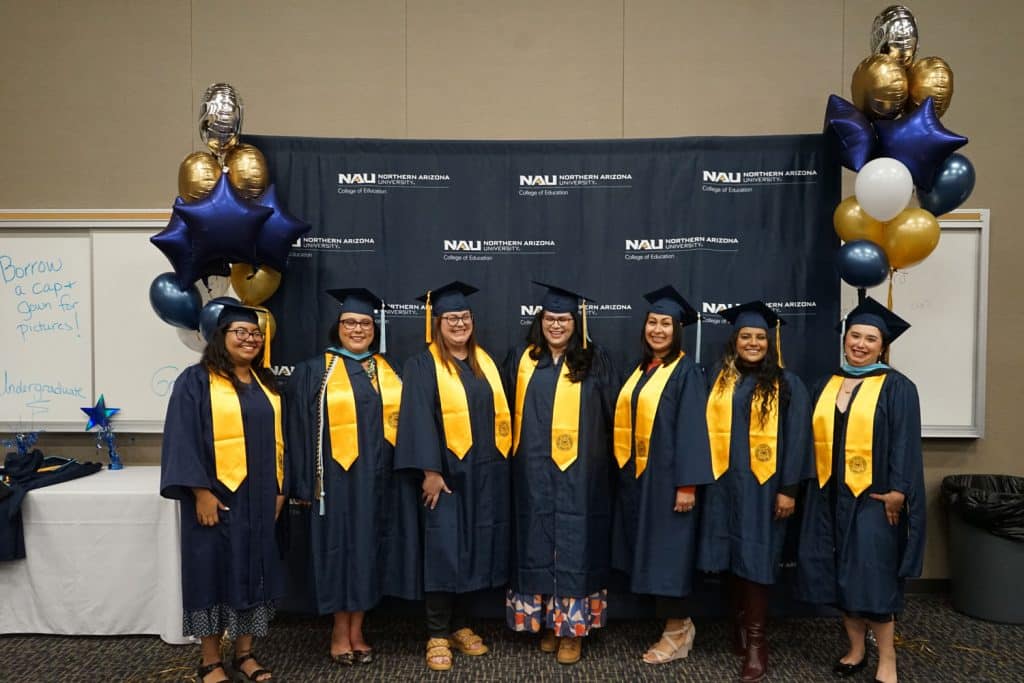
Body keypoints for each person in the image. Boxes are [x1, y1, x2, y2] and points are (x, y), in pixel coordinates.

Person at [796, 297, 925, 683]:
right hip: (827, 494)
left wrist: (899, 491)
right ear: (845, 338)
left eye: (870, 338)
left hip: (873, 498)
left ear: (882, 346)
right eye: (855, 335)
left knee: (872, 577)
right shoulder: (825, 382)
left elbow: (905, 442)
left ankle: (887, 658)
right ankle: (855, 649)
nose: (860, 344)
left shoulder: (898, 387)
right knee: (840, 574)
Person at [286, 288, 412, 666]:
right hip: (336, 485)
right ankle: (340, 634)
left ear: (375, 328)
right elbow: (296, 429)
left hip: (379, 483)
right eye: (349, 323)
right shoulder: (315, 371)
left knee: (368, 552)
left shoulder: (387, 370)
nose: (357, 329)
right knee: (342, 553)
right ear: (336, 326)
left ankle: (358, 630)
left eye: (364, 323)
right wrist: (304, 483)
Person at [160, 302, 285, 683]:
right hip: (217, 498)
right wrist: (199, 492)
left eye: (255, 333)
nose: (250, 339)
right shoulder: (194, 381)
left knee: (255, 571)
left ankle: (245, 653)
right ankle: (210, 660)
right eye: (240, 333)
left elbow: (282, 442)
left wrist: (282, 487)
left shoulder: (267, 384)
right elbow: (181, 439)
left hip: (261, 497)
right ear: (221, 337)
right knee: (211, 571)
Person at [393, 281, 512, 672]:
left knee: (472, 547)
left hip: (482, 474)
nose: (459, 323)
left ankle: (461, 624)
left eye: (464, 317)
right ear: (436, 322)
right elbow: (417, 419)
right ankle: (437, 632)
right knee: (444, 549)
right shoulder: (421, 364)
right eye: (450, 318)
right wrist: (429, 470)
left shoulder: (485, 363)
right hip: (444, 476)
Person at [503, 282, 617, 665]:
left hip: (581, 474)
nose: (556, 325)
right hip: (532, 470)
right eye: (550, 318)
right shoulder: (521, 358)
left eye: (564, 319)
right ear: (541, 320)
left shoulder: (594, 359)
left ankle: (572, 631)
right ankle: (548, 624)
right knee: (538, 540)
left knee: (575, 542)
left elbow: (612, 416)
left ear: (576, 322)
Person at [698, 301, 812, 682]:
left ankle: (757, 645)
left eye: (760, 337)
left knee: (757, 559)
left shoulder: (787, 383)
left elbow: (797, 441)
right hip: (722, 484)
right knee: (731, 556)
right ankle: (739, 627)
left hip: (764, 490)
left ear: (770, 342)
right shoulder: (718, 379)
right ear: (734, 340)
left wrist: (789, 489)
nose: (753, 342)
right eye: (746, 336)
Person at [611, 286, 713, 665]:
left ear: (677, 330)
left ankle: (678, 630)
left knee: (671, 554)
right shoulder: (641, 368)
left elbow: (692, 430)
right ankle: (676, 627)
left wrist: (687, 485)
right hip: (641, 478)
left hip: (670, 481)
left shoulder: (685, 371)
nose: (657, 329)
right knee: (654, 552)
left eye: (665, 323)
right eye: (652, 322)